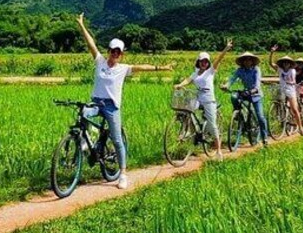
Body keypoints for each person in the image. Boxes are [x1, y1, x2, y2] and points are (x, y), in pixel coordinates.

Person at [76, 13, 172, 189]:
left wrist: (162, 67)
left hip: (112, 107)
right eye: (112, 51)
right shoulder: (100, 62)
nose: (115, 54)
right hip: (97, 103)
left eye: (118, 52)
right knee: (83, 112)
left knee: (117, 139)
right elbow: (91, 44)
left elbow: (142, 67)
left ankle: (123, 173)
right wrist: (81, 25)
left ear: (122, 54)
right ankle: (84, 139)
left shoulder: (123, 68)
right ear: (109, 51)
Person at [174, 39, 233, 160]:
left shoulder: (210, 72)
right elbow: (188, 80)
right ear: (198, 62)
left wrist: (226, 49)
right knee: (186, 109)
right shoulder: (195, 73)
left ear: (208, 63)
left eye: (206, 61)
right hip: (198, 98)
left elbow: (218, 59)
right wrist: (180, 85)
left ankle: (218, 151)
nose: (204, 63)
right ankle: (187, 131)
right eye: (202, 61)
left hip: (209, 100)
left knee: (212, 124)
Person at [221, 51, 269, 147]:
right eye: (245, 60)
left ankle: (265, 138)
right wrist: (226, 85)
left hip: (256, 95)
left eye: (249, 60)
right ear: (242, 62)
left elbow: (257, 84)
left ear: (252, 61)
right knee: (234, 96)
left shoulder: (256, 70)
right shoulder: (240, 70)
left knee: (260, 117)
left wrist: (253, 90)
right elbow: (232, 78)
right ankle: (238, 115)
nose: (247, 61)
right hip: (246, 93)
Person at [268, 45, 303, 135]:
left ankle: (300, 127)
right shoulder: (279, 69)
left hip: (291, 90)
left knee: (295, 109)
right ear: (282, 64)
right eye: (284, 63)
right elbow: (270, 63)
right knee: (277, 101)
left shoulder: (292, 71)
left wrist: (290, 82)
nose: (285, 64)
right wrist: (272, 52)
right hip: (282, 89)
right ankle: (281, 118)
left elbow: (292, 81)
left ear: (290, 64)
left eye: (287, 63)